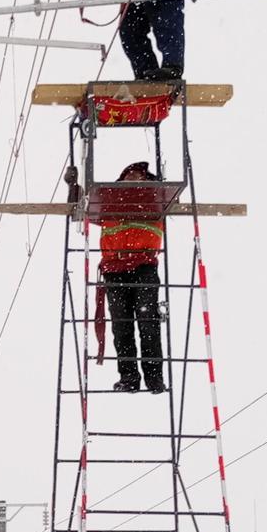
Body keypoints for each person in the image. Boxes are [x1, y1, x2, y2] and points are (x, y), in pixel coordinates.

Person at [92, 160, 168, 394]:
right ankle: (129, 378)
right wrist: (72, 187)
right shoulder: (110, 202)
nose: (132, 180)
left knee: (148, 324)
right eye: (129, 176)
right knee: (121, 327)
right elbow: (80, 209)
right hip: (115, 270)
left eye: (137, 176)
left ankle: (154, 378)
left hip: (143, 267)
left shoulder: (153, 199)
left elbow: (170, 200)